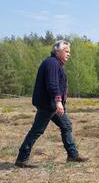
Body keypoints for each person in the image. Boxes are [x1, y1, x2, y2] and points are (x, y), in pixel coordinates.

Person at [15, 40, 88, 168]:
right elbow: (52, 84)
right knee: (37, 131)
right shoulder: (52, 63)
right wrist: (58, 101)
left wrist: (59, 103)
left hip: (52, 105)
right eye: (66, 51)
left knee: (66, 125)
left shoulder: (55, 64)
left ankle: (72, 155)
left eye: (69, 52)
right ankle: (22, 158)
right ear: (57, 51)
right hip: (48, 105)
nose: (69, 54)